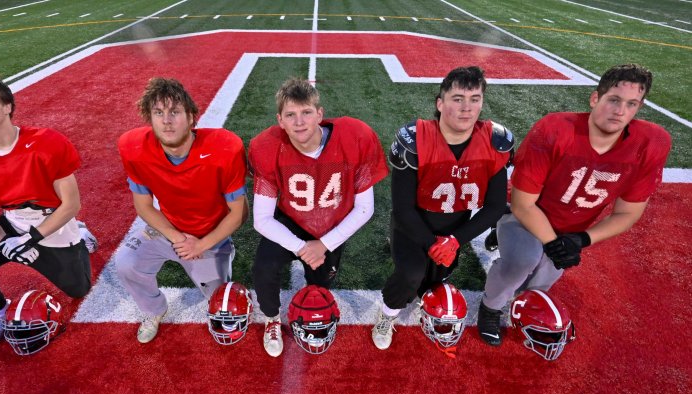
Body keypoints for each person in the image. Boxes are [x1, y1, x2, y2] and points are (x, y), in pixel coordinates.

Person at [478, 64, 671, 346]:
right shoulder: (556, 129)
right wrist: (555, 244)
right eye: (614, 100)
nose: (620, 111)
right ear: (595, 99)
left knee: (540, 283)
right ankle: (489, 309)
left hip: (572, 227)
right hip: (526, 217)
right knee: (522, 261)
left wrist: (581, 239)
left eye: (631, 104)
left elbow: (628, 212)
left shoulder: (651, 142)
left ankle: (524, 303)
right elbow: (523, 204)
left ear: (639, 108)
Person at [0, 72, 96, 349]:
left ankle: (80, 234)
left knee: (79, 289)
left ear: (7, 107)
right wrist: (5, 241)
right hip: (12, 223)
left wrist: (30, 239)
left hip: (53, 222)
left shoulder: (47, 142)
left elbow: (71, 204)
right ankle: (0, 311)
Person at [371, 66, 514, 350]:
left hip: (455, 227)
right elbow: (402, 207)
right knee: (411, 274)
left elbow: (496, 205)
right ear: (440, 103)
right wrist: (431, 242)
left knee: (435, 280)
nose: (467, 107)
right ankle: (386, 316)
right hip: (412, 226)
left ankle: (430, 260)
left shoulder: (495, 141)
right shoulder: (415, 140)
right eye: (458, 98)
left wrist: (454, 241)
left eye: (475, 98)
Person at [249, 78, 389, 357]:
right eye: (290, 114)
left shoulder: (355, 138)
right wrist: (302, 247)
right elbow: (261, 219)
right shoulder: (267, 147)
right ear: (280, 120)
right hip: (289, 219)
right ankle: (272, 319)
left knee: (321, 283)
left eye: (306, 112)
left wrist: (323, 244)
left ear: (320, 114)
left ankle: (316, 315)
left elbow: (364, 208)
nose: (299, 122)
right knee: (263, 270)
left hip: (332, 223)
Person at [115, 78, 248, 344]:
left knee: (220, 303)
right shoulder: (134, 147)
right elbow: (142, 205)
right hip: (169, 230)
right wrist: (178, 238)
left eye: (175, 112)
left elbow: (240, 213)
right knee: (126, 262)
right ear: (149, 119)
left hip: (209, 235)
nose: (167, 121)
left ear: (191, 118)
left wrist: (202, 244)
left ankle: (223, 252)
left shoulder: (223, 148)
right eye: (158, 113)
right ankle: (154, 310)